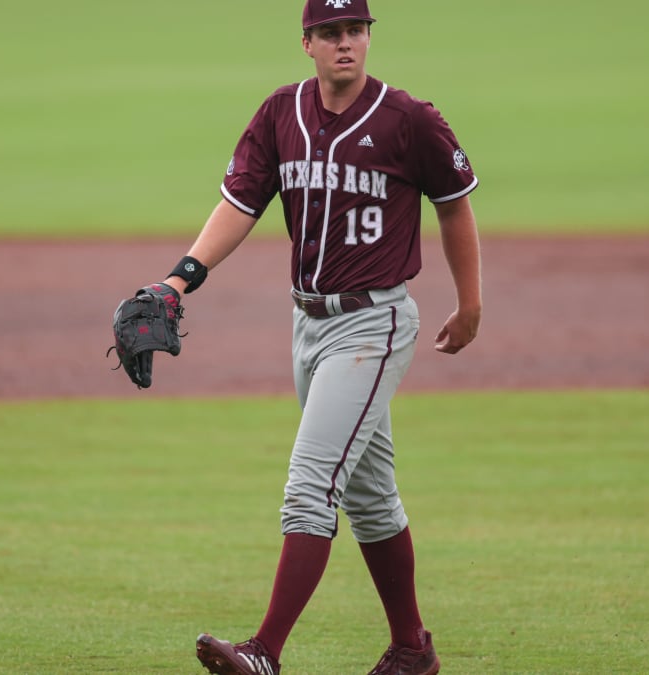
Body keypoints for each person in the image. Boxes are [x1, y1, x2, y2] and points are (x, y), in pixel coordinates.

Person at [144, 1, 481, 673]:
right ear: (307, 43)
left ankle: (264, 653)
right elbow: (240, 202)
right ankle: (412, 647)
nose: (346, 43)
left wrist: (470, 303)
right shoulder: (281, 113)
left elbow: (455, 202)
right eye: (331, 33)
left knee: (310, 485)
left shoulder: (408, 119)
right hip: (308, 325)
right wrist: (177, 282)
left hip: (374, 322)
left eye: (356, 30)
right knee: (370, 495)